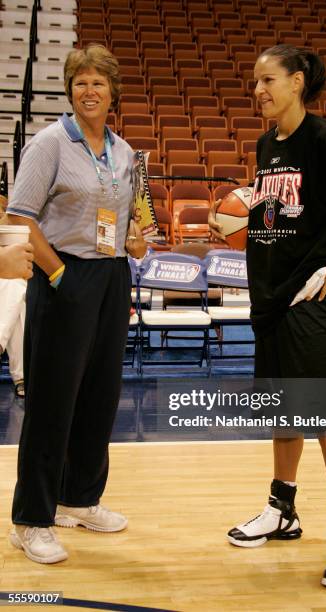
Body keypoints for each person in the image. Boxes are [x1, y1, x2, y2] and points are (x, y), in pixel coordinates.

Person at [209, 44, 326, 590]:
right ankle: (282, 510)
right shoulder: (267, 143)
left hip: (310, 303)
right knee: (282, 414)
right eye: (254, 81)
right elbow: (277, 216)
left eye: (268, 79)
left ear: (297, 82)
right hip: (270, 299)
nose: (258, 90)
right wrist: (238, 226)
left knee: (324, 419)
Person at [6, 44, 146, 564]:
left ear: (113, 93)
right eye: (80, 82)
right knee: (52, 402)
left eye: (99, 83)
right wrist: (59, 272)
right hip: (62, 273)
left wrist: (133, 242)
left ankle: (80, 498)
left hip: (112, 277)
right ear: (69, 90)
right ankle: (30, 519)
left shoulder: (125, 152)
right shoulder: (48, 144)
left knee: (99, 395)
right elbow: (22, 217)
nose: (89, 91)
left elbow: (124, 220)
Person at [0, 199, 26, 397]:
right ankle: (21, 377)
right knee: (16, 290)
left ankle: (21, 377)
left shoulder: (14, 236)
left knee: (17, 291)